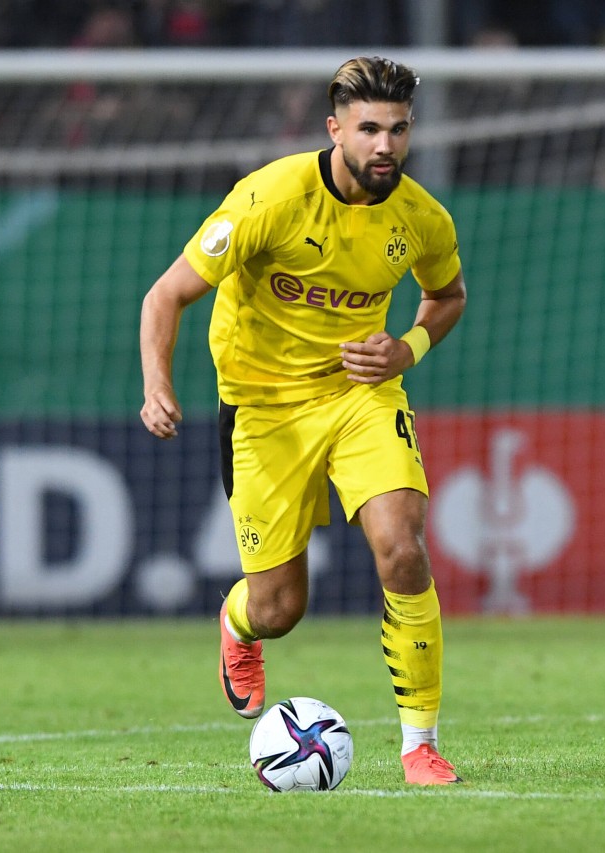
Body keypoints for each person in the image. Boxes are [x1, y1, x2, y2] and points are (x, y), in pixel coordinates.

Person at [139, 56, 468, 785]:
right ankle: (238, 623)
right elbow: (165, 296)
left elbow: (447, 296)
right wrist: (156, 387)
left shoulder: (420, 217)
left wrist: (406, 347)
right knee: (280, 606)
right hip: (263, 412)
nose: (386, 145)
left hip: (359, 396)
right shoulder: (269, 198)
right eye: (370, 128)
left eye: (400, 129)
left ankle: (420, 745)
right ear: (335, 129)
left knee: (402, 545)